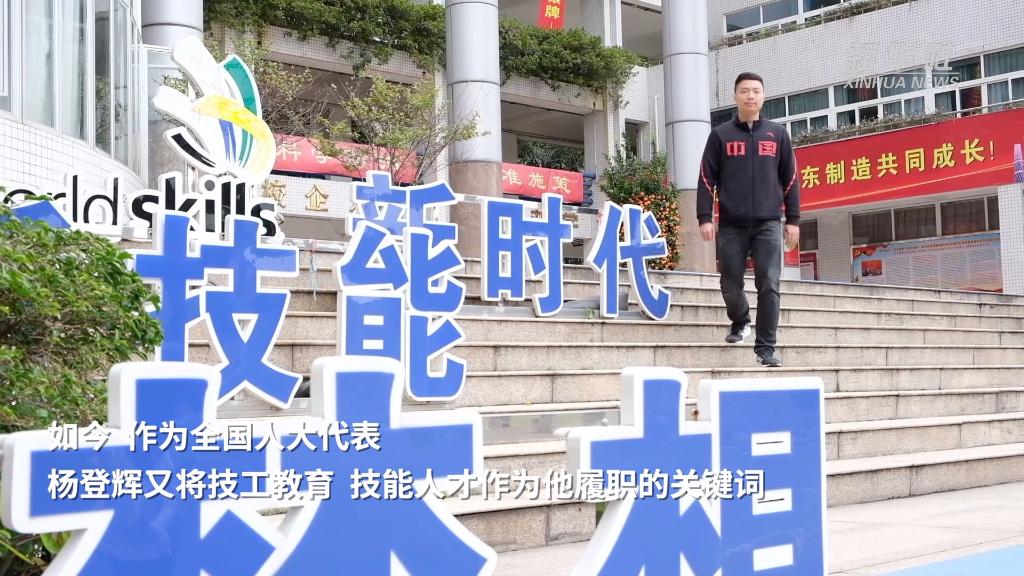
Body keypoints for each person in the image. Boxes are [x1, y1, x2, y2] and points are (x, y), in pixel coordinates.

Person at [696, 72, 800, 368]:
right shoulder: (721, 135)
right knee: (730, 284)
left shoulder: (777, 135)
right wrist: (705, 216)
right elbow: (706, 178)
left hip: (769, 223)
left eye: (756, 91)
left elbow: (791, 178)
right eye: (744, 91)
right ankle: (740, 320)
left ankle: (765, 347)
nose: (750, 96)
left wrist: (793, 219)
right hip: (731, 223)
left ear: (763, 96)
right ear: (735, 96)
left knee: (769, 283)